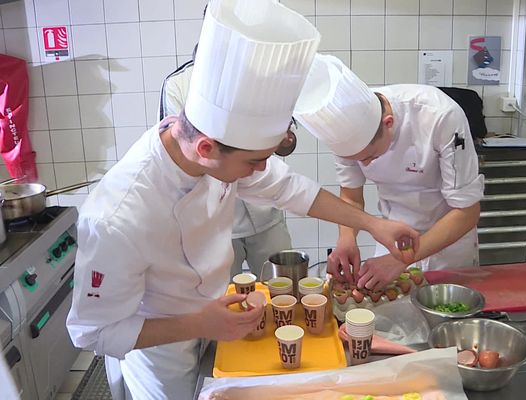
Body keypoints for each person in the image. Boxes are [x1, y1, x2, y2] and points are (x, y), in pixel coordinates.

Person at [66, 3, 418, 400]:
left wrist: (373, 224)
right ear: (206, 147)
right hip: (161, 345)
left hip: (217, 317)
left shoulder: (211, 156)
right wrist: (200, 324)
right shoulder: (117, 217)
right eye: (254, 162)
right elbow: (91, 332)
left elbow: (292, 190)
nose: (261, 170)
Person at [295, 54, 484, 291]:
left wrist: (401, 259)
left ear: (388, 123)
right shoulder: (346, 128)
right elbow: (351, 197)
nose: (364, 163)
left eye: (369, 157)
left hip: (448, 243)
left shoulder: (440, 116)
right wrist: (347, 238)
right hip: (392, 239)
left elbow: (467, 212)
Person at [158, 48, 293, 279]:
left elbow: (289, 152)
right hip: (215, 220)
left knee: (285, 288)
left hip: (266, 213)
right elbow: (185, 151)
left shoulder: (258, 80)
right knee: (222, 296)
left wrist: (280, 140)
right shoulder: (178, 84)